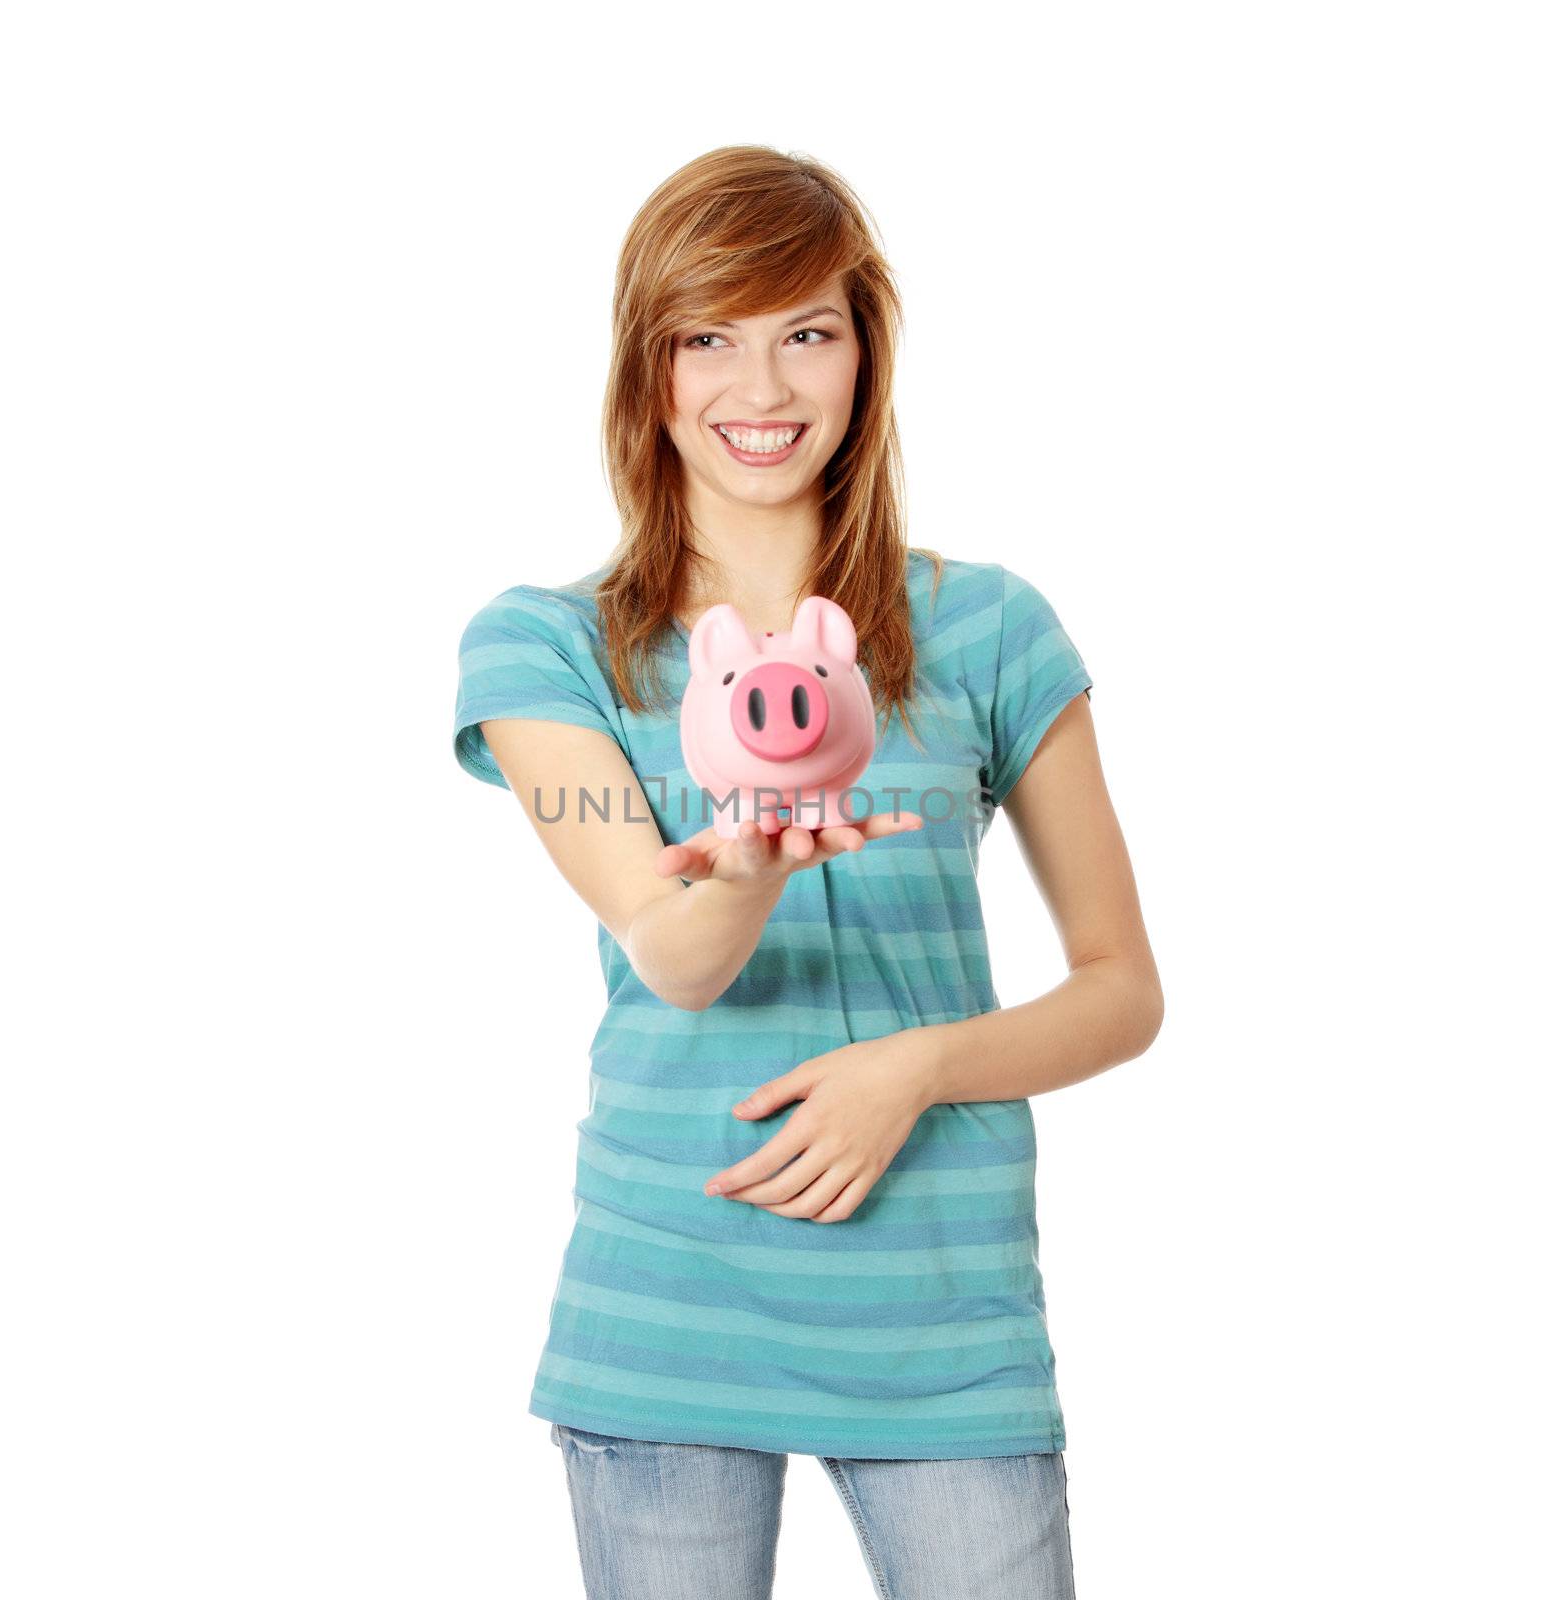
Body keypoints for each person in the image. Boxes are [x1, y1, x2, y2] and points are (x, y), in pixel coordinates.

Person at [451, 144, 1163, 1600]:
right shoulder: (544, 645)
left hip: (943, 1314)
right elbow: (675, 954)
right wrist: (758, 864)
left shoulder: (990, 631)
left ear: (865, 354)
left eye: (806, 334)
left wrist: (917, 1067)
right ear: (646, 370)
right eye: (707, 338)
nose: (759, 392)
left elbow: (1122, 992)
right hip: (670, 1303)